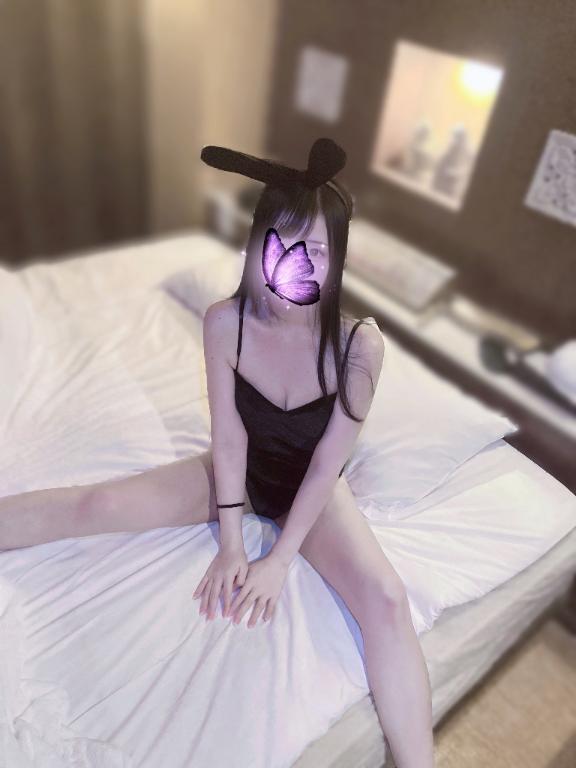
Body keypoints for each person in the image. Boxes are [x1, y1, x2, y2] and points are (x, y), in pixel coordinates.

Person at [0, 138, 435, 767]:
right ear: (258, 242)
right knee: (98, 504)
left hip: (309, 488)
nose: (297, 261)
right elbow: (229, 437)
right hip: (239, 470)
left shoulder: (359, 347)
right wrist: (232, 545)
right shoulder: (224, 322)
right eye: (283, 240)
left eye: (318, 249)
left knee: (387, 600)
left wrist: (279, 559)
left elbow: (325, 465)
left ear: (338, 259)